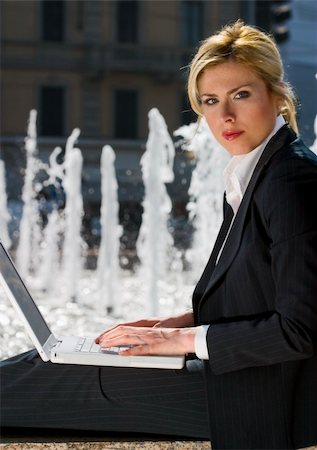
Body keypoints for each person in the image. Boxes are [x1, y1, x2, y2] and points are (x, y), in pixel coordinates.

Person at [1, 20, 317, 449]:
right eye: (210, 101)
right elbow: (263, 294)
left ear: (277, 96)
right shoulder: (255, 171)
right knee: (39, 363)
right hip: (240, 378)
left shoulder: (290, 180)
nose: (224, 116)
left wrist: (176, 340)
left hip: (260, 396)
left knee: (46, 378)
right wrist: (174, 323)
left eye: (241, 95)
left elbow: (299, 328)